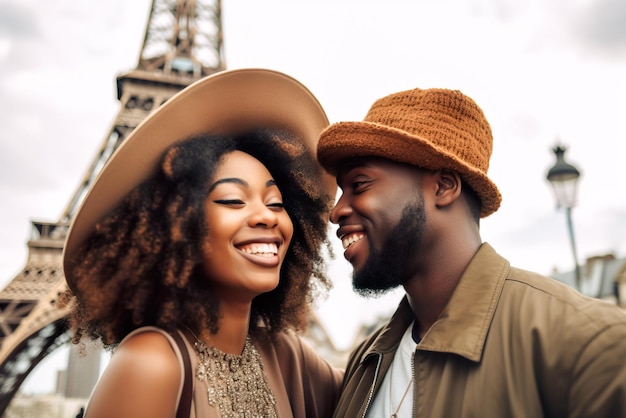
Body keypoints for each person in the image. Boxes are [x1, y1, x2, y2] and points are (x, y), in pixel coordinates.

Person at [316, 86, 626, 417]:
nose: (336, 211)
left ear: (444, 186)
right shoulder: (365, 362)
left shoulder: (588, 345)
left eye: (359, 185)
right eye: (340, 192)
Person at [59, 68, 343, 418]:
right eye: (232, 200)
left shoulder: (284, 353)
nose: (267, 217)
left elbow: (392, 389)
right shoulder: (153, 363)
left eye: (276, 203)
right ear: (173, 227)